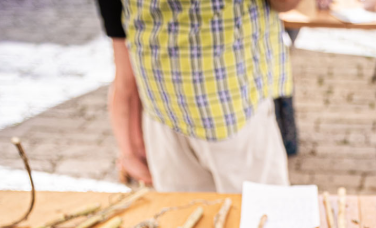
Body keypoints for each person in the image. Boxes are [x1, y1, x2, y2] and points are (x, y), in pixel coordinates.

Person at [96, 0, 301, 192]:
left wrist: (128, 147)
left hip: (163, 111)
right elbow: (285, 3)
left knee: (187, 218)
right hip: (231, 109)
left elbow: (123, 61)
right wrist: (128, 149)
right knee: (260, 218)